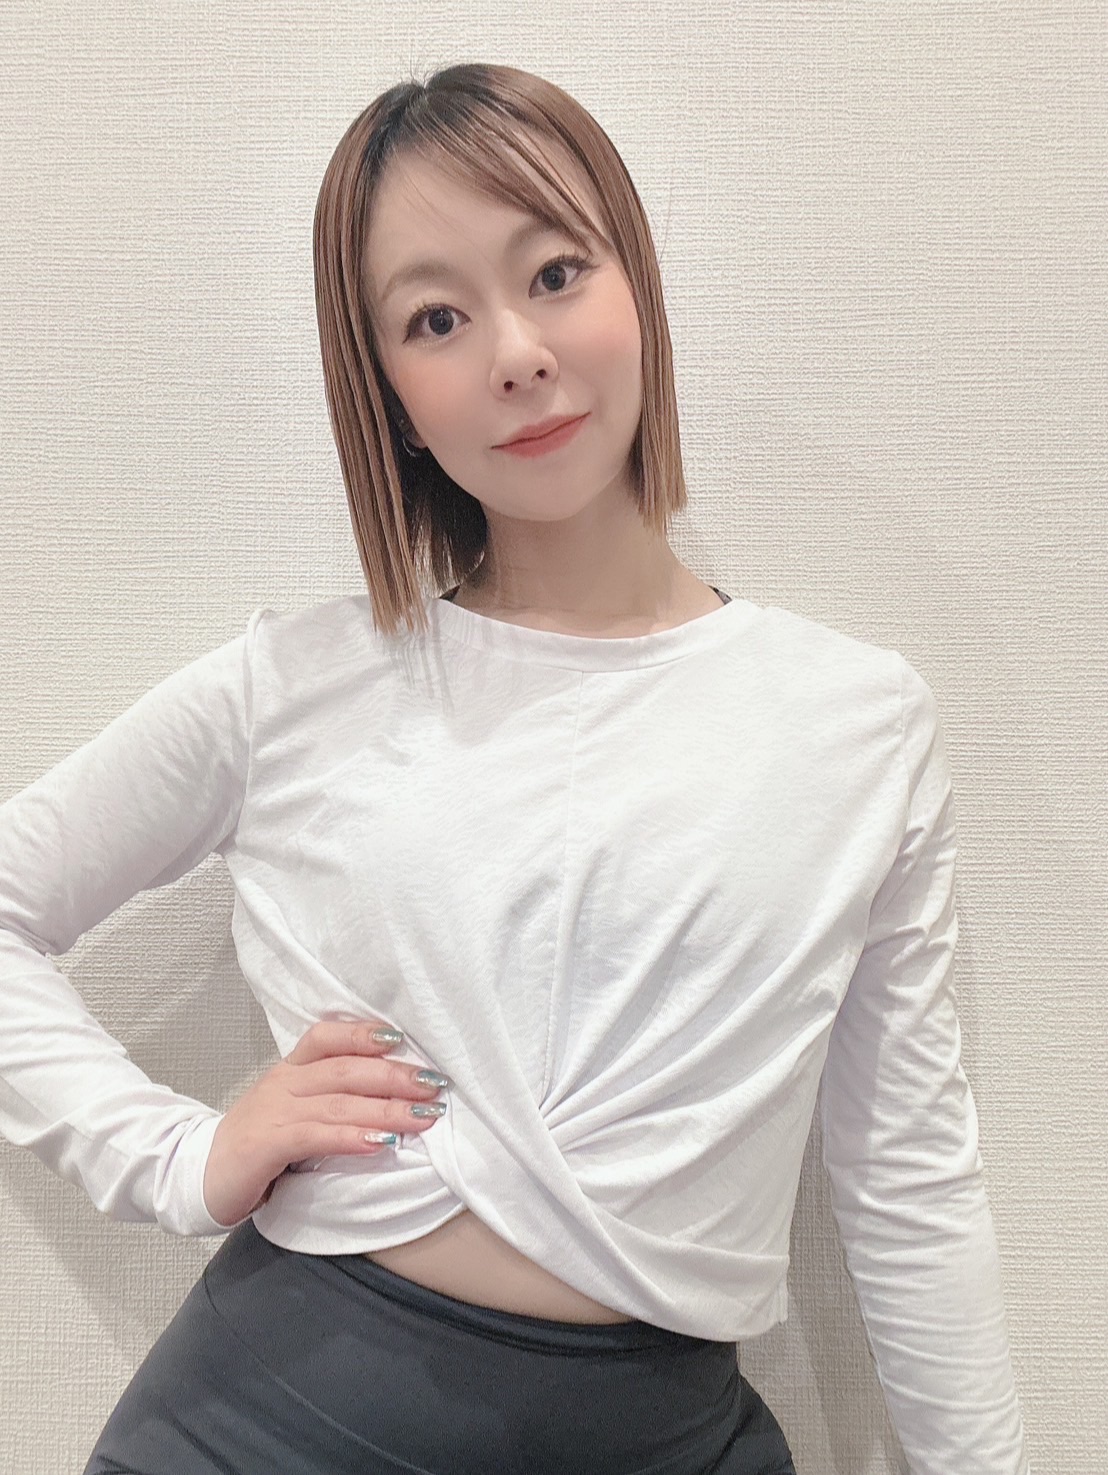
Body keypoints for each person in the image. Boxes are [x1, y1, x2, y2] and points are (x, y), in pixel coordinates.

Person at [0, 62, 1030, 1475]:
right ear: (389, 396)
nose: (516, 354)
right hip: (271, 1419)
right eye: (436, 318)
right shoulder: (293, 686)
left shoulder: (857, 722)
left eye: (554, 273)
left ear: (637, 288)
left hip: (666, 1431)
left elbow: (907, 1177)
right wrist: (175, 1156)